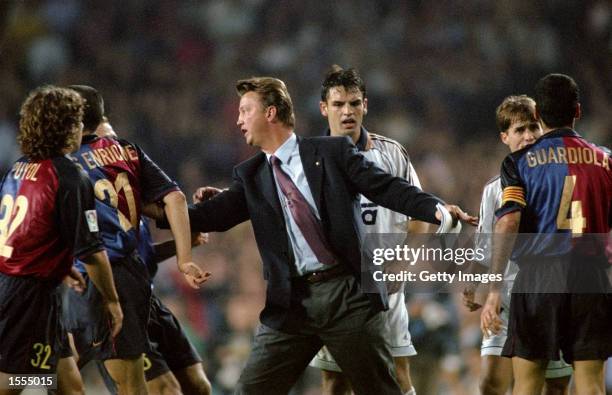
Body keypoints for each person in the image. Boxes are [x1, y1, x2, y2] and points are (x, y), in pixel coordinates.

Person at [176, 76, 477, 394]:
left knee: (384, 387)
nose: (238, 119)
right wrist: (154, 206)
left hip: (346, 294)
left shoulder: (330, 152)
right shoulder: (252, 176)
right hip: (293, 302)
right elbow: (210, 216)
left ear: (270, 113)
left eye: (245, 110)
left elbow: (386, 188)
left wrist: (436, 209)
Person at [64, 85, 208, 395]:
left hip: (131, 288)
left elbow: (141, 251)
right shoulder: (107, 158)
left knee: (196, 385)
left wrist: (180, 250)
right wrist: (184, 258)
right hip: (101, 285)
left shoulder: (66, 168)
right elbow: (175, 199)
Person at [481, 74, 611, 394]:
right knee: (591, 384)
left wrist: (495, 286)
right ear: (577, 111)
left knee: (528, 385)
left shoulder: (519, 162)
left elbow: (509, 222)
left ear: (537, 114)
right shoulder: (606, 160)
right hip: (591, 277)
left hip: (538, 277)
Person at [307, 66, 424, 395]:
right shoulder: (309, 158)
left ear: (366, 106)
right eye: (338, 104)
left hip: (386, 286)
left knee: (398, 375)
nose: (347, 112)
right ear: (323, 108)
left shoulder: (391, 154)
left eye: (355, 104)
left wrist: (401, 262)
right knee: (335, 382)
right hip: (337, 290)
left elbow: (418, 216)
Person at [0, 86, 122, 394]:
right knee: (12, 383)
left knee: (70, 386)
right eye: (77, 121)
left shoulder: (20, 166)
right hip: (29, 296)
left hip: (27, 286)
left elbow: (29, 229)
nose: (82, 128)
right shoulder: (69, 176)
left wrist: (60, 264)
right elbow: (93, 251)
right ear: (65, 127)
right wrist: (111, 300)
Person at [463, 95, 572, 394]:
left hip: (551, 295)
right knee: (490, 384)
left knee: (555, 387)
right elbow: (486, 243)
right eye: (520, 130)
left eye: (534, 128)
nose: (528, 136)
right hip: (507, 301)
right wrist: (473, 283)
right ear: (504, 137)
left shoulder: (559, 177)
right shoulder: (493, 189)